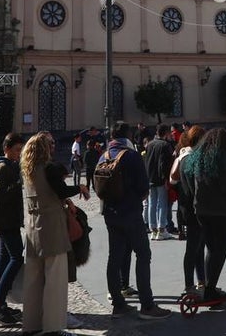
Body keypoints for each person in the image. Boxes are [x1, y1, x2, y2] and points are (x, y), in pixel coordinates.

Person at [99, 123, 171, 320]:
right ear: (128, 136)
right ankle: (147, 305)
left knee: (114, 257)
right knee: (143, 254)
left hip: (110, 213)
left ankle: (118, 304)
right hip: (130, 212)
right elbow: (143, 188)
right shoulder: (131, 156)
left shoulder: (104, 156)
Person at [22, 133, 90, 331]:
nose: (53, 146)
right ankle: (53, 327)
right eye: (50, 143)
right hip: (51, 227)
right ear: (44, 147)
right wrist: (80, 187)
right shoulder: (49, 168)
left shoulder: (29, 169)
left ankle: (32, 325)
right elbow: (61, 190)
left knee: (33, 280)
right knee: (55, 280)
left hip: (33, 227)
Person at [182, 128, 226, 305]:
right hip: (220, 210)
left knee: (211, 248)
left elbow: (189, 179)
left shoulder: (197, 157)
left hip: (201, 210)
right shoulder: (220, 156)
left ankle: (209, 286)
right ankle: (210, 289)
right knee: (220, 250)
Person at [0, 132, 25, 326]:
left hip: (8, 219)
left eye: (21, 150)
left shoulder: (10, 165)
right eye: (17, 150)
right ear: (7, 149)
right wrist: (17, 183)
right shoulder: (1, 167)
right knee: (16, 258)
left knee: (5, 259)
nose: (19, 153)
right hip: (5, 220)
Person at [170, 125, 205, 295]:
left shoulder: (182, 157)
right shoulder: (192, 159)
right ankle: (191, 284)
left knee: (196, 247)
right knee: (194, 248)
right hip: (194, 209)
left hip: (186, 207)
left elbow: (173, 181)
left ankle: (200, 281)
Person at [142, 124, 173, 241]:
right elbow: (163, 163)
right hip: (160, 178)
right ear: (165, 133)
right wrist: (165, 178)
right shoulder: (165, 145)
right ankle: (162, 229)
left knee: (151, 203)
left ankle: (153, 230)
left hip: (150, 178)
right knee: (162, 203)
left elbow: (147, 162)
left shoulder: (149, 144)